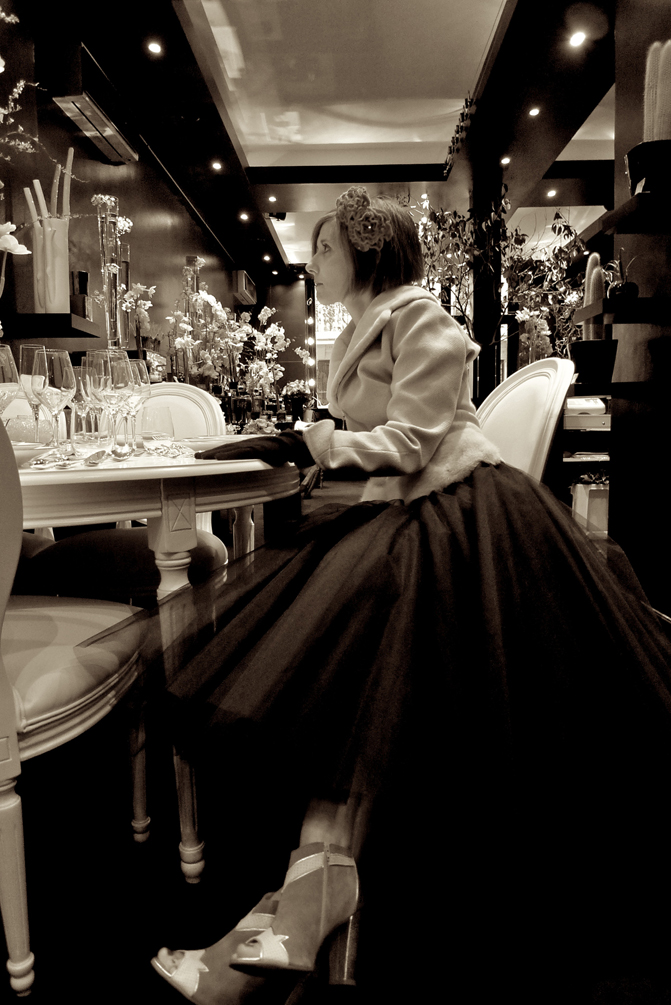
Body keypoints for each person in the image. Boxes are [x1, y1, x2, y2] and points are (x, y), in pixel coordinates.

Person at [151, 187, 671, 1004]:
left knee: (354, 673)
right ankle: (310, 894)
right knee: (348, 686)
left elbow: (411, 441)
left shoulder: (421, 317)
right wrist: (317, 444)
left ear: (367, 252)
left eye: (325, 247)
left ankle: (311, 898)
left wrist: (317, 442)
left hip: (455, 514)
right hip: (402, 510)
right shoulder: (368, 323)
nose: (312, 261)